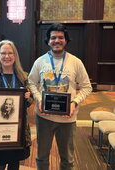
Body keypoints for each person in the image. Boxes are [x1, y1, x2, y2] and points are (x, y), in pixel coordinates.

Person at [28, 23, 92, 170]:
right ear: (48, 41)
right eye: (53, 37)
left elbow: (87, 87)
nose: (57, 40)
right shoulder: (40, 62)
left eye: (60, 37)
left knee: (67, 159)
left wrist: (74, 102)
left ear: (66, 40)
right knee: (42, 157)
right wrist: (38, 99)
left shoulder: (76, 62)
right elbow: (31, 83)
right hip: (44, 117)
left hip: (68, 118)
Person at [0, 40, 33, 170]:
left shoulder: (23, 76)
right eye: (3, 53)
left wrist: (27, 97)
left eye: (10, 53)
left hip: (18, 130)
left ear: (15, 56)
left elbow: (30, 100)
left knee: (14, 164)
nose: (7, 56)